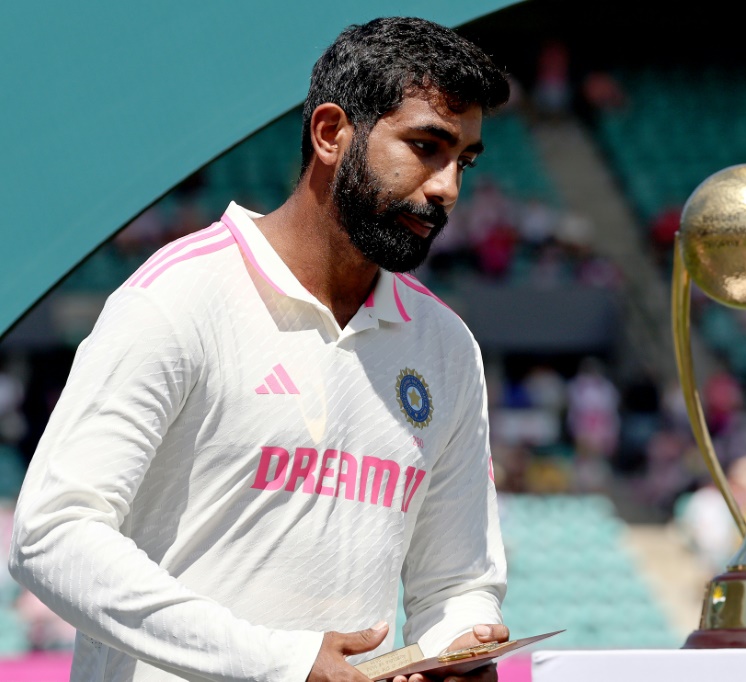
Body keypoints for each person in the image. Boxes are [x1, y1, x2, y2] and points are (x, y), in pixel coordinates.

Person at [8, 17, 513, 682]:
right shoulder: (179, 296)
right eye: (426, 147)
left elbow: (457, 581)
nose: (447, 187)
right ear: (331, 133)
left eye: (464, 161)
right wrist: (285, 662)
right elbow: (51, 534)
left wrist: (456, 647)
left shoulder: (444, 345)